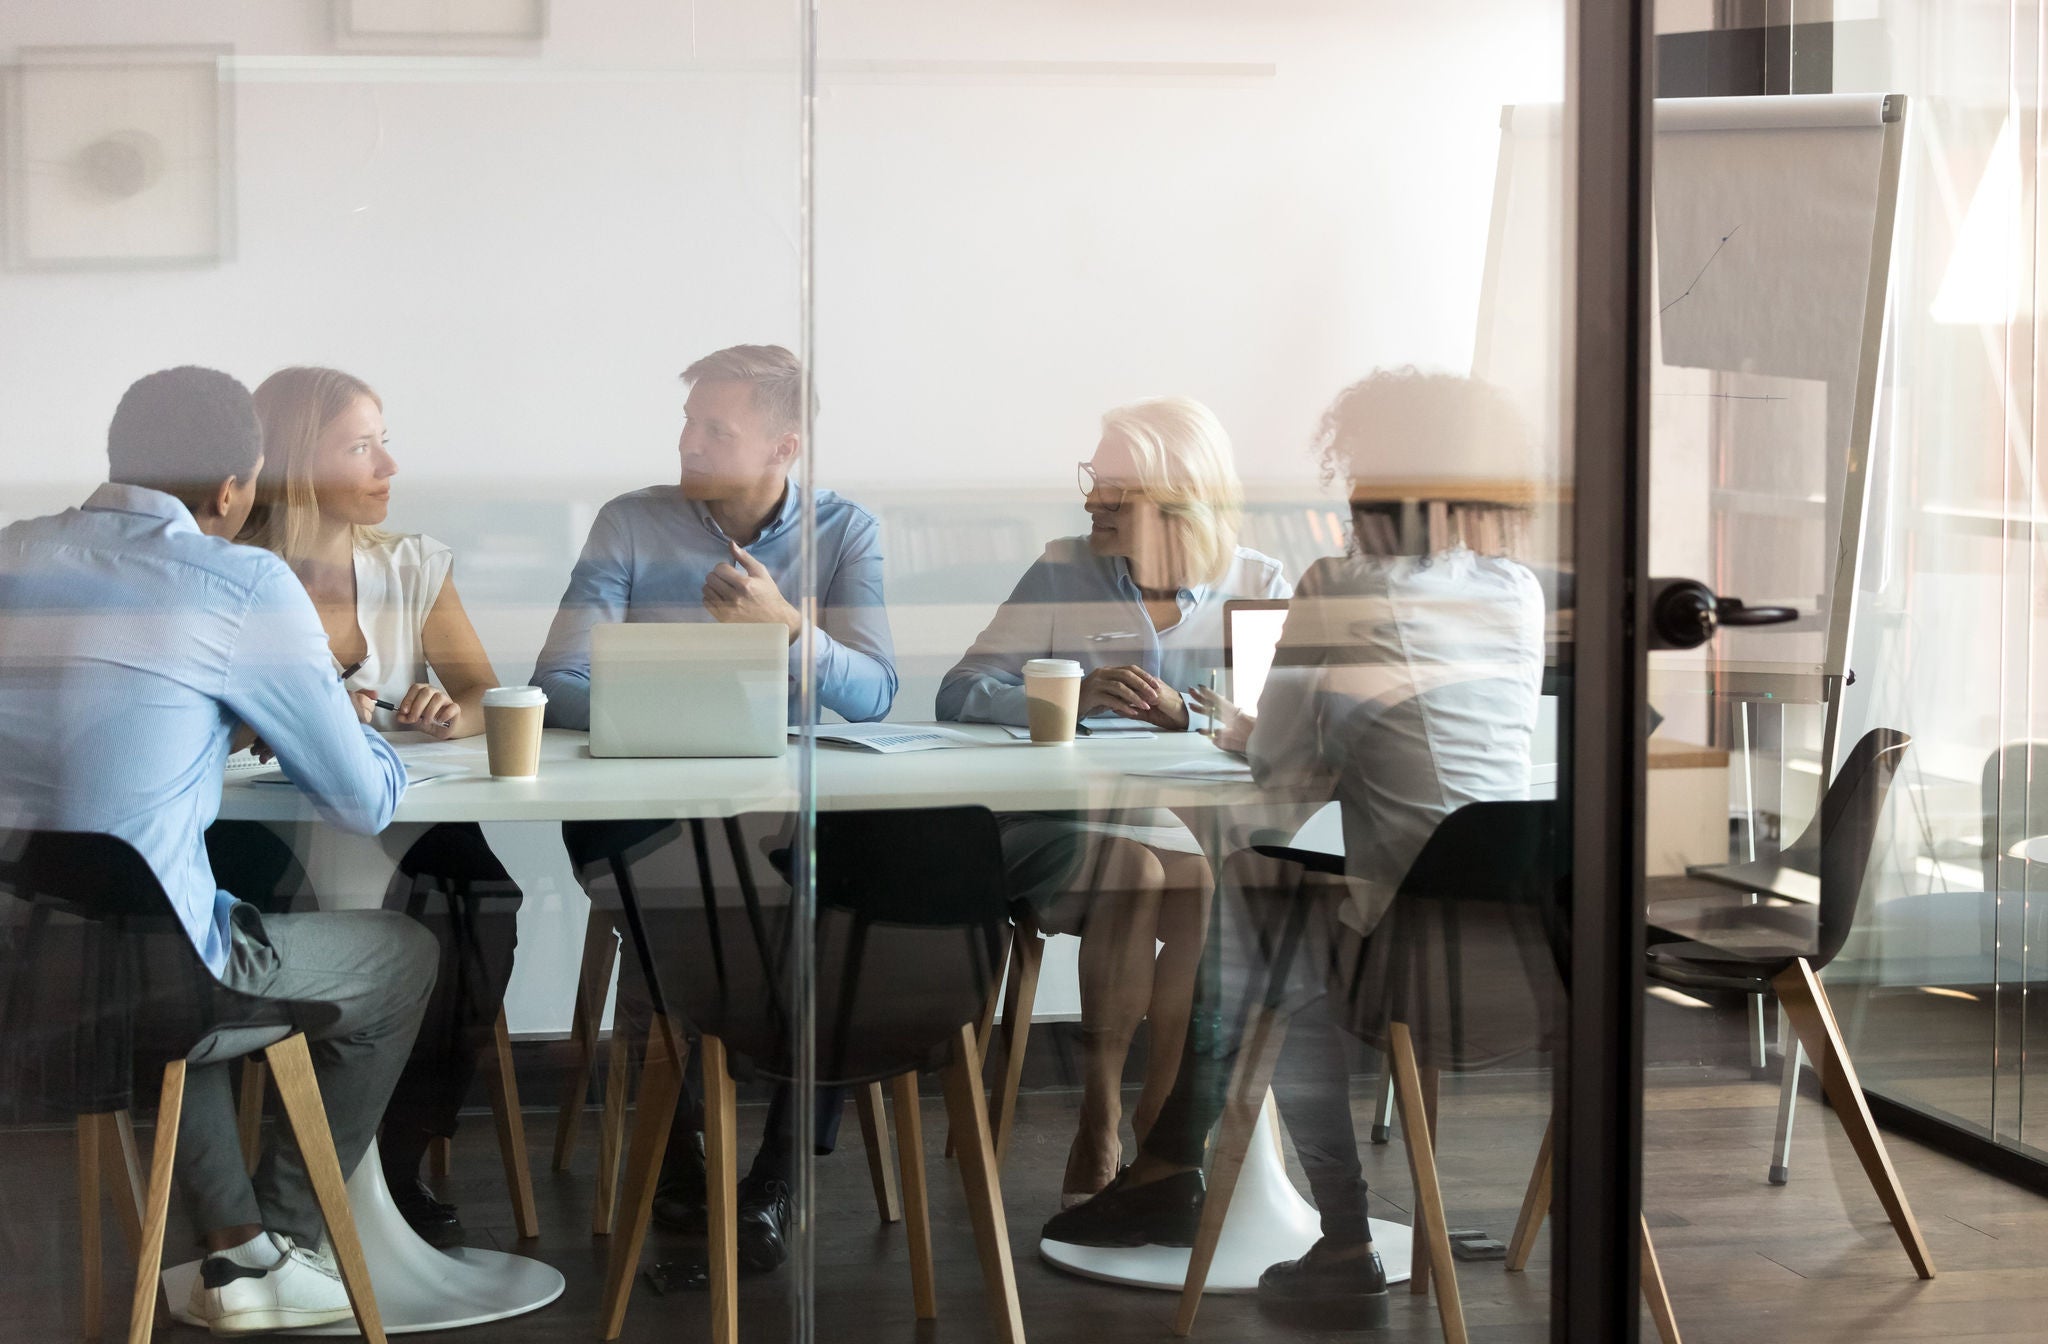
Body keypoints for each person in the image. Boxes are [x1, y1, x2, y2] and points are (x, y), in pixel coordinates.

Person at [1044, 369, 1549, 1329]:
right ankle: (1171, 1165)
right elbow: (1354, 747)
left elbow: (1281, 774)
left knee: (1255, 916)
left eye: (1356, 469)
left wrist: (1242, 730)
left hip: (1403, 951)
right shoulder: (1515, 593)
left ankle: (1333, 1230)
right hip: (1522, 944)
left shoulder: (1343, 586)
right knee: (1257, 906)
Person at [0, 367, 434, 1335]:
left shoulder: (15, 551)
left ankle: (236, 1248)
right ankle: (286, 1244)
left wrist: (212, 724)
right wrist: (353, 723)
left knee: (164, 933)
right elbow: (359, 804)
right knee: (403, 956)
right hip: (161, 975)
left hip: (27, 959)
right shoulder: (236, 579)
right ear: (232, 489)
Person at [533, 343, 897, 1272]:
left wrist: (782, 629)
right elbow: (557, 681)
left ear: (784, 444)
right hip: (645, 811)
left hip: (779, 815)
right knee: (691, 898)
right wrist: (693, 688)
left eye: (715, 428)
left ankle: (777, 1174)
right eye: (689, 422)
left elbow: (874, 692)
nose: (688, 441)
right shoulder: (630, 523)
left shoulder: (846, 532)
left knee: (835, 911)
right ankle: (679, 1150)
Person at [937, 396, 1290, 1205]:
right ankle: (1100, 1120)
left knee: (1193, 877)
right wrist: (1068, 696)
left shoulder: (1259, 583)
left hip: (1191, 831)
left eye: (1116, 489)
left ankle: (1164, 1128)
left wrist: (1191, 715)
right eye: (1094, 480)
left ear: (1178, 497)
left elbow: (1282, 736)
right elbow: (959, 692)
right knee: (1138, 870)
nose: (1091, 500)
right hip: (1059, 823)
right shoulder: (1064, 568)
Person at [234, 365, 517, 1247]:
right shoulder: (231, 576)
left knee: (483, 909)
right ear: (291, 458)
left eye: (384, 440)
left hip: (405, 813)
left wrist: (442, 710)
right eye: (360, 446)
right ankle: (313, 1172)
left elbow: (482, 692)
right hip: (265, 831)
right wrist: (286, 724)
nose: (387, 465)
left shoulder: (411, 565)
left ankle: (391, 1159)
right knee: (355, 931)